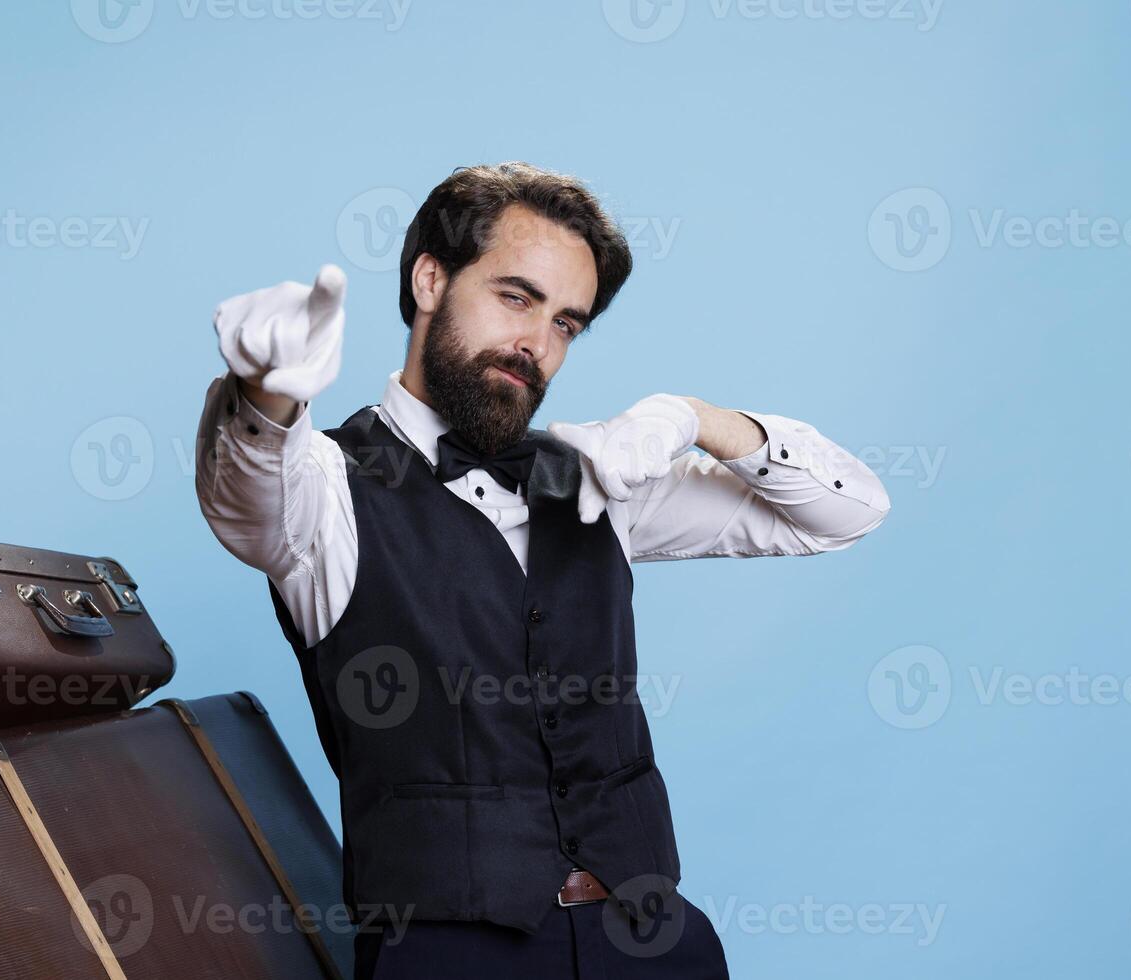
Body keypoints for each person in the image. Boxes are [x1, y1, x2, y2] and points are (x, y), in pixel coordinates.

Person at [194, 162, 891, 979]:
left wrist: (695, 419)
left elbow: (848, 513)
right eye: (515, 297)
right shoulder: (325, 490)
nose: (537, 343)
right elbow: (248, 493)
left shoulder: (597, 474)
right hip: (450, 957)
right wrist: (263, 396)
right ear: (430, 279)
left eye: (567, 322)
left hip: (653, 939)